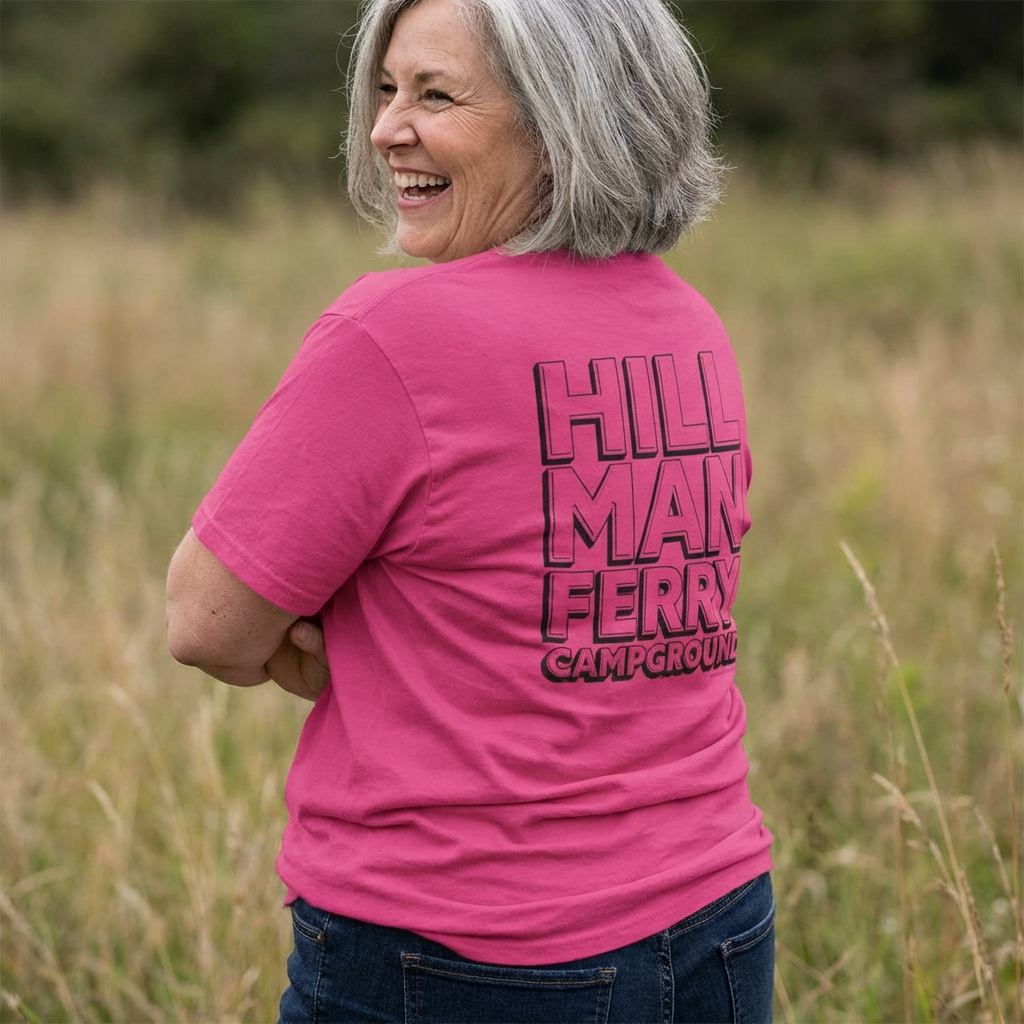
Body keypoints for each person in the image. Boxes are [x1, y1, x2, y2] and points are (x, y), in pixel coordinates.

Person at [165, 0, 775, 1020]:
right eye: (386, 90)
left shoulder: (395, 333)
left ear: (563, 117)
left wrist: (332, 639)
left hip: (460, 949)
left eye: (436, 95)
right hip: (717, 920)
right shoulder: (687, 321)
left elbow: (206, 622)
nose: (385, 129)